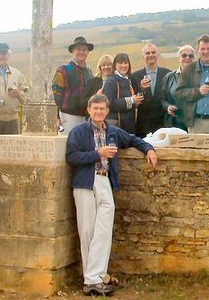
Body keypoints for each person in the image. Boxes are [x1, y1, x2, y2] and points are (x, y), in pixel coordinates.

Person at [66, 94, 157, 296]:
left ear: (107, 111)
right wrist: (97, 154)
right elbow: (72, 157)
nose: (99, 112)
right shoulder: (78, 132)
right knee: (87, 230)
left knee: (104, 230)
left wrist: (149, 149)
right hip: (85, 183)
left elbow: (134, 139)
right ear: (89, 110)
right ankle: (93, 280)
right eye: (95, 108)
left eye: (102, 109)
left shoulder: (113, 132)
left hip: (104, 180)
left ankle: (94, 277)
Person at [175, 34, 209, 134]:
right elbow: (179, 92)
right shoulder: (189, 69)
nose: (206, 52)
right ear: (198, 50)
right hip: (195, 122)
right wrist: (198, 91)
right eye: (202, 49)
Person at [52, 36, 94, 134]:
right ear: (73, 51)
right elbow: (56, 95)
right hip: (68, 116)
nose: (81, 52)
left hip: (86, 117)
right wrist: (56, 117)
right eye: (78, 49)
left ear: (88, 52)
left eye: (84, 50)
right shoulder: (63, 70)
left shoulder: (89, 72)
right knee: (66, 146)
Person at [131, 43, 171, 138]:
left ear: (158, 55)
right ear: (143, 56)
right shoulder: (135, 76)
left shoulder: (168, 74)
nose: (150, 55)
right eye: (147, 53)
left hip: (163, 124)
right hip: (143, 125)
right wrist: (141, 89)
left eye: (153, 52)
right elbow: (133, 100)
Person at [103, 53, 142, 134]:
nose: (123, 65)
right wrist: (131, 100)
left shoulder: (130, 79)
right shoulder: (111, 81)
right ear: (115, 65)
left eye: (125, 63)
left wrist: (137, 101)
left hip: (129, 124)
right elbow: (109, 103)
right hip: (117, 125)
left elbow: (135, 97)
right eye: (120, 63)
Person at [161, 45, 194, 130]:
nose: (187, 58)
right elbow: (163, 99)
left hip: (194, 123)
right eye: (184, 55)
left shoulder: (200, 77)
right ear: (179, 58)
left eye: (191, 56)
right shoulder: (168, 77)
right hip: (173, 123)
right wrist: (168, 107)